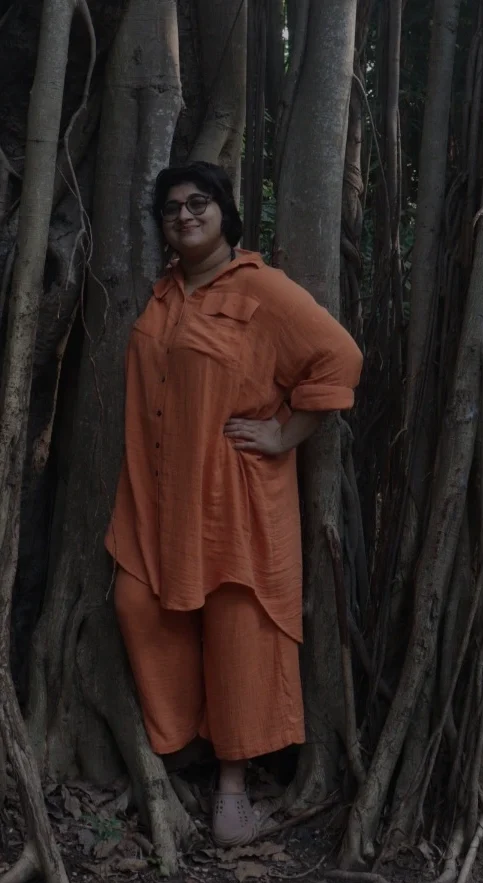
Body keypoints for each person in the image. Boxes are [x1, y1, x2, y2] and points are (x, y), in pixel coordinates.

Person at [105, 161, 363, 847]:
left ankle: (233, 791)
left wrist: (284, 432)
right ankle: (179, 744)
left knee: (238, 629)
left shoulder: (261, 289)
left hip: (233, 496)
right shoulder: (162, 295)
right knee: (138, 601)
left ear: (226, 212)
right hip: (156, 493)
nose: (185, 215)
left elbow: (338, 355)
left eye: (200, 203)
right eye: (171, 208)